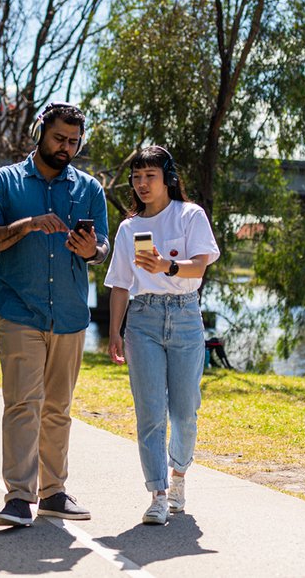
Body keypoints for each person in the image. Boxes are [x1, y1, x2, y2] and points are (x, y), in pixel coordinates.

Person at [0, 102, 109, 527]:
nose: (66, 147)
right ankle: (18, 497)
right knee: (22, 404)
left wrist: (93, 251)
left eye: (74, 141)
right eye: (59, 138)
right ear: (40, 133)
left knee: (59, 408)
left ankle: (53, 493)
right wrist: (28, 224)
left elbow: (102, 245)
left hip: (69, 313)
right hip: (19, 310)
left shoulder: (89, 188)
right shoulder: (4, 182)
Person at [103, 146, 220, 526]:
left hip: (185, 316)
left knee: (184, 412)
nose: (141, 184)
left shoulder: (190, 215)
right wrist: (114, 331)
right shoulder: (128, 228)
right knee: (150, 412)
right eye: (136, 177)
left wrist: (166, 265)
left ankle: (179, 476)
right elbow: (120, 284)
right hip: (142, 319)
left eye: (149, 176)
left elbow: (198, 268)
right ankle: (157, 494)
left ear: (167, 177)